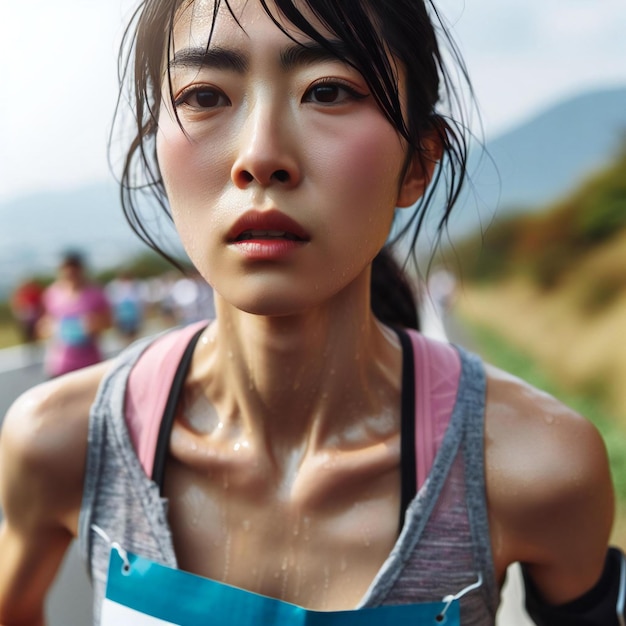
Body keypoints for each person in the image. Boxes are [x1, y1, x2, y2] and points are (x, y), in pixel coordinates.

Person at [0, 1, 623, 625]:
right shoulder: (62, 442)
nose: (260, 154)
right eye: (206, 95)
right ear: (157, 153)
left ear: (418, 163)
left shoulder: (535, 467)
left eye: (327, 90)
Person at [36, 251, 112, 377]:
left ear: (81, 269)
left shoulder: (95, 293)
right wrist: (49, 328)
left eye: (74, 268)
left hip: (90, 363)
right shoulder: (52, 293)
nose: (70, 272)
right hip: (59, 363)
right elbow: (42, 326)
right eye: (66, 268)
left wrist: (93, 324)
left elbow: (109, 322)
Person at [9, 278, 44, 345]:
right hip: (24, 319)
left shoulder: (35, 292)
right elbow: (16, 305)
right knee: (26, 334)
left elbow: (40, 303)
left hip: (34, 318)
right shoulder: (20, 293)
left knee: (35, 333)